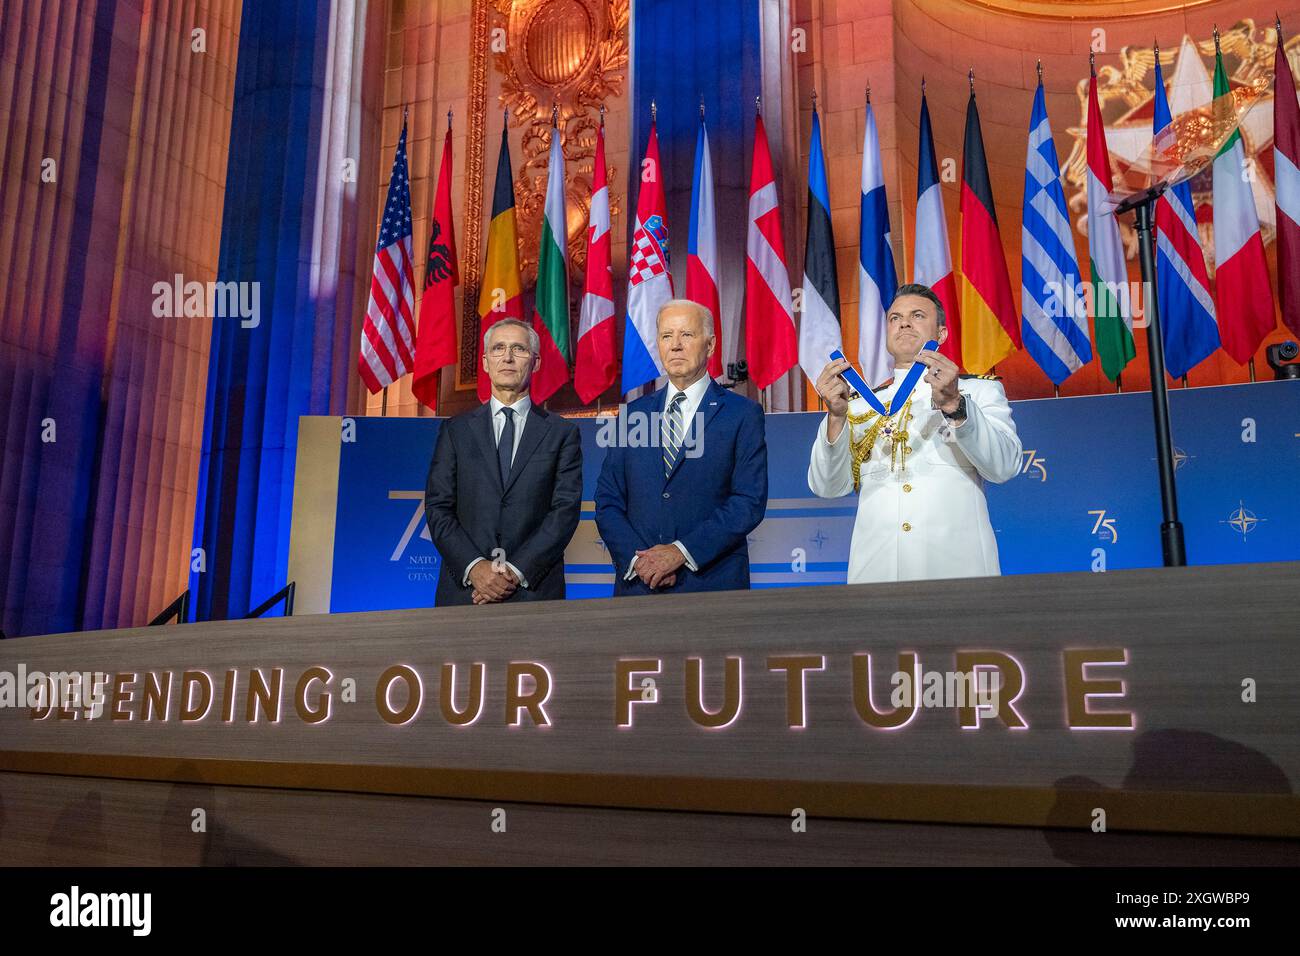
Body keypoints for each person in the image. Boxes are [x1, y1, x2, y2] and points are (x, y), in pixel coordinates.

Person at [808, 283, 1022, 583]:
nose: (904, 322)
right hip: (876, 574)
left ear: (942, 334)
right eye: (895, 318)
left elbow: (1004, 467)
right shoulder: (856, 405)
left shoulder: (978, 390)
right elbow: (827, 487)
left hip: (958, 572)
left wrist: (955, 405)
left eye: (917, 315)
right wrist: (835, 417)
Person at [595, 299, 767, 595]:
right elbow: (608, 500)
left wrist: (680, 553)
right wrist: (640, 563)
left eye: (686, 335)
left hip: (712, 585)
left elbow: (748, 502)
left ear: (710, 345)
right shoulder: (631, 416)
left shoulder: (742, 414)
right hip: (640, 586)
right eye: (666, 336)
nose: (675, 345)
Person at [424, 318, 581, 606]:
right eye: (498, 348)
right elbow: (438, 507)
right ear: (485, 362)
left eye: (518, 349)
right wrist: (476, 568)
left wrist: (514, 572)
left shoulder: (562, 433)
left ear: (535, 362)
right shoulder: (455, 430)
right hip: (465, 593)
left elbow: (564, 512)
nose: (507, 357)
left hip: (533, 592)